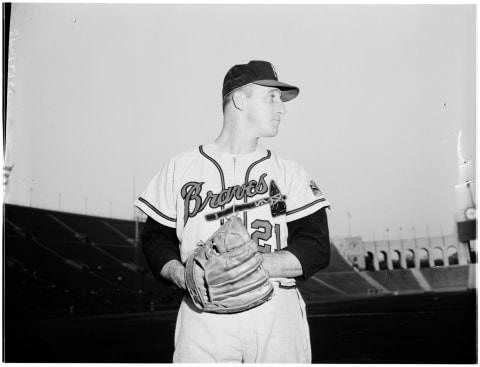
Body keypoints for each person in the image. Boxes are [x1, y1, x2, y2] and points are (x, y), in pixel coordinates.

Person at [135, 60, 331, 363]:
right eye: (272, 97)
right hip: (203, 312)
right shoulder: (182, 168)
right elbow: (155, 240)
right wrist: (181, 274)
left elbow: (315, 246)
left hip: (275, 309)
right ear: (240, 99)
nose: (282, 108)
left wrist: (258, 265)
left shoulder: (287, 173)